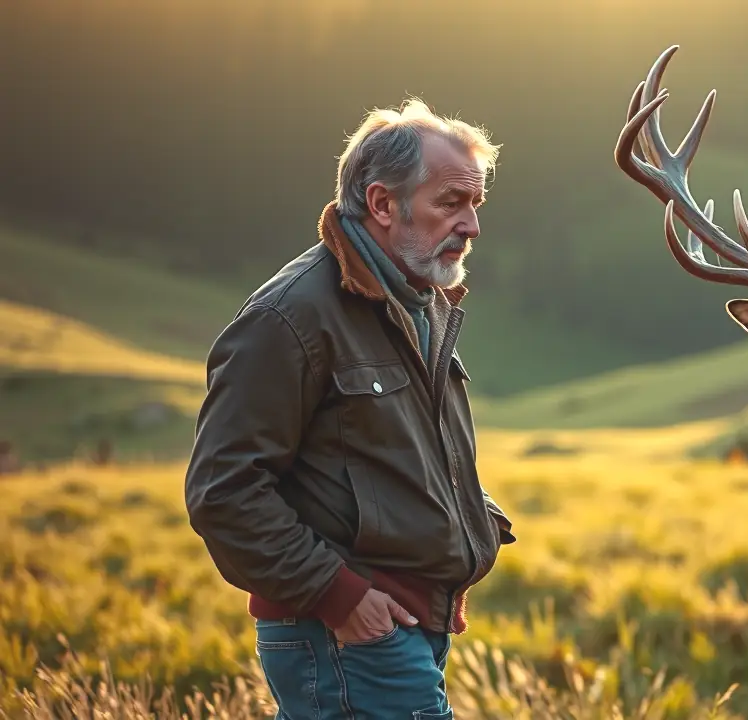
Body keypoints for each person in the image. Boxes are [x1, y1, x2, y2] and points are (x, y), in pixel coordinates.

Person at [184, 98, 516, 719]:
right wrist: (339, 598)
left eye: (476, 205)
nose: (472, 226)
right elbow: (222, 491)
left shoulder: (419, 302)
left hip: (400, 628)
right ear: (384, 205)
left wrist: (467, 518)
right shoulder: (292, 317)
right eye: (450, 203)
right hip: (347, 635)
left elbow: (374, 453)